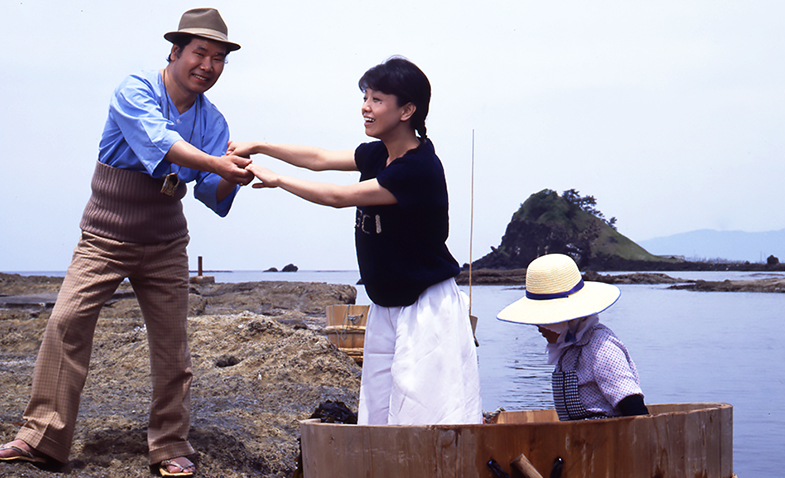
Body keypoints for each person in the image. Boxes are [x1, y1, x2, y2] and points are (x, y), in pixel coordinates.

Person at [0, 8, 252, 477]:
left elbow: (212, 197)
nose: (208, 66)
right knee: (66, 322)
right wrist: (218, 164)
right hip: (105, 233)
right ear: (175, 52)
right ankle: (39, 438)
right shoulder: (134, 90)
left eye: (219, 58)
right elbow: (159, 143)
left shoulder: (213, 120)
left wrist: (239, 172)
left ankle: (170, 444)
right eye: (200, 53)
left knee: (173, 345)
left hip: (165, 239)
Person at [227, 57, 481, 425]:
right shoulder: (380, 152)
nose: (365, 106)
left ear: (407, 109)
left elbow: (338, 196)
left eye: (377, 99)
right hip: (385, 303)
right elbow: (319, 159)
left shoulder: (417, 168)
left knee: (425, 417)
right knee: (377, 413)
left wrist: (279, 180)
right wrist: (260, 146)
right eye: (365, 97)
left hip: (426, 307)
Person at [497, 253, 649, 420]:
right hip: (577, 441)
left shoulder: (600, 346)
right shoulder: (569, 349)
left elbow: (632, 403)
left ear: (567, 318)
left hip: (608, 440)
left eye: (544, 321)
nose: (538, 327)